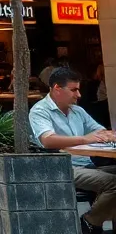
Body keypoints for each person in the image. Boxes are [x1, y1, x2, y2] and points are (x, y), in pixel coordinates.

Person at [30, 67, 116, 234]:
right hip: (62, 167)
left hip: (87, 164)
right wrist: (85, 139)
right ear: (57, 88)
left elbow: (102, 133)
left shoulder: (77, 111)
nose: (79, 95)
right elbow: (48, 140)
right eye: (74, 90)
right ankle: (89, 222)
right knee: (113, 183)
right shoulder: (40, 111)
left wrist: (106, 135)